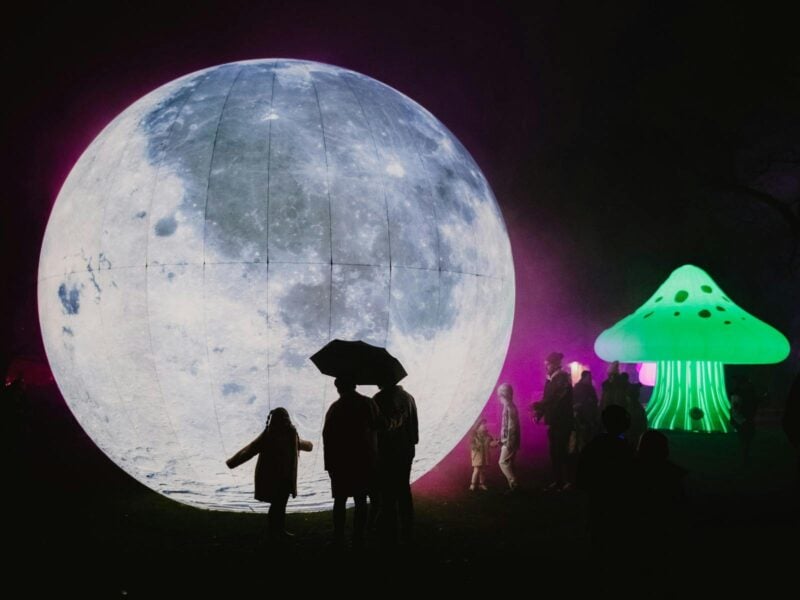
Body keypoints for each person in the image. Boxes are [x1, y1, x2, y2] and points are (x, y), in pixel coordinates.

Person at [225, 407, 313, 541]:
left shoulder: (283, 434)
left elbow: (250, 449)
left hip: (283, 478)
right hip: (278, 478)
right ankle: (275, 531)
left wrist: (309, 445)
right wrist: (232, 462)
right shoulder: (276, 434)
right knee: (278, 505)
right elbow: (250, 449)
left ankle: (278, 530)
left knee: (280, 505)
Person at [323, 376, 379, 549]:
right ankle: (359, 537)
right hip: (364, 460)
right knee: (361, 499)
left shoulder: (335, 408)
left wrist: (329, 464)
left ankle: (338, 537)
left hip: (341, 463)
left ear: (338, 388)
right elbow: (379, 425)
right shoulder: (368, 403)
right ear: (354, 385)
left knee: (340, 501)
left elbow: (327, 437)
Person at [576, 405, 635, 553]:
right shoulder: (625, 449)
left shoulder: (594, 445)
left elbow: (581, 476)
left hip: (597, 500)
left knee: (599, 535)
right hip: (619, 504)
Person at [372, 378, 419, 546]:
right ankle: (407, 528)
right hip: (407, 449)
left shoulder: (380, 398)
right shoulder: (409, 397)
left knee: (387, 492)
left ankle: (389, 532)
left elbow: (383, 425)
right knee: (403, 489)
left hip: (388, 451)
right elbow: (413, 427)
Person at [532, 352, 574, 491]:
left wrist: (539, 406)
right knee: (554, 452)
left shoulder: (563, 379)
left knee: (562, 451)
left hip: (563, 421)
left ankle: (568, 481)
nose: (546, 367)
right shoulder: (550, 380)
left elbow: (556, 398)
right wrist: (539, 413)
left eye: (548, 364)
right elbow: (547, 398)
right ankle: (558, 481)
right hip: (554, 421)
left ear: (556, 364)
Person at [729, 374, 760, 462]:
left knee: (745, 439)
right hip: (744, 420)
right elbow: (736, 408)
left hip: (744, 420)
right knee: (746, 438)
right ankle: (744, 456)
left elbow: (735, 408)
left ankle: (744, 455)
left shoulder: (740, 393)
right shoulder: (743, 393)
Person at [497, 383, 520, 492]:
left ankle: (514, 483)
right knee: (509, 463)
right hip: (509, 440)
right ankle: (512, 487)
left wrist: (508, 442)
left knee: (503, 462)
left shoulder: (509, 407)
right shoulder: (509, 406)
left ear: (503, 395)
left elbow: (511, 426)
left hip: (510, 441)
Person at [572, 370, 601, 453]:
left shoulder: (589, 388)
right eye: (589, 377)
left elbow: (594, 400)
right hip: (581, 416)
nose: (590, 379)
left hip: (589, 416)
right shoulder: (578, 388)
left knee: (587, 435)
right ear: (584, 377)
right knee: (581, 436)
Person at [469, 417, 497, 491]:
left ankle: (481, 484)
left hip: (485, 456)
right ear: (478, 426)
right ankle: (473, 484)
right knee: (476, 470)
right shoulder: (475, 436)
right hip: (477, 456)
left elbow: (491, 444)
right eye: (482, 424)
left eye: (485, 424)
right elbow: (472, 445)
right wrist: (475, 446)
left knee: (483, 470)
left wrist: (495, 443)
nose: (485, 425)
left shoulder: (488, 436)